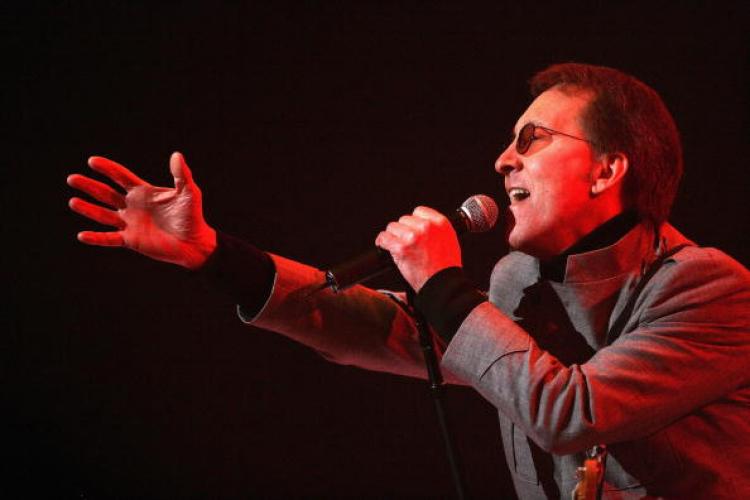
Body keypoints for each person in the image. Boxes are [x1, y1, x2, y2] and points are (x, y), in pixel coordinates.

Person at [67, 63, 750, 498]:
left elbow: (570, 414)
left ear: (607, 170)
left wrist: (445, 285)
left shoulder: (711, 290)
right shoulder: (520, 279)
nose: (502, 159)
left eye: (532, 138)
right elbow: (393, 329)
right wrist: (217, 255)